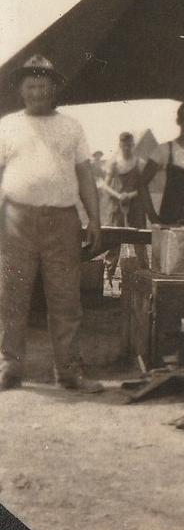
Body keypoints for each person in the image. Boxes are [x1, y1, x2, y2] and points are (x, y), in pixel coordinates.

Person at [0, 55, 103, 393]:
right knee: (11, 296)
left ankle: (69, 371)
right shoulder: (7, 125)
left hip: (62, 221)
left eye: (43, 85)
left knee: (65, 298)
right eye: (30, 85)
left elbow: (85, 175)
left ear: (54, 88)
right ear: (21, 89)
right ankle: (8, 367)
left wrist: (95, 219)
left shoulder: (71, 127)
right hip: (15, 219)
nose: (37, 92)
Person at [103, 132, 148, 288]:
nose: (127, 148)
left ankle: (144, 279)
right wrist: (119, 195)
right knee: (113, 241)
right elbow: (105, 185)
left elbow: (144, 187)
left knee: (139, 241)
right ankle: (109, 280)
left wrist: (131, 195)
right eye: (124, 145)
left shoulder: (140, 163)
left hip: (135, 205)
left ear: (133, 145)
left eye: (130, 145)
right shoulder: (114, 163)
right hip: (117, 206)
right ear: (120, 145)